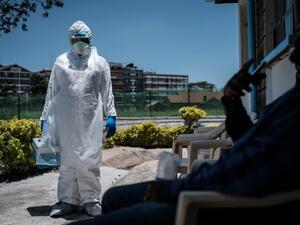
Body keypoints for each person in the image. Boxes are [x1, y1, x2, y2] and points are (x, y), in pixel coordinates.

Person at [69, 36, 300, 225]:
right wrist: (231, 101)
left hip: (224, 205)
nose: (295, 49)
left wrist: (174, 188)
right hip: (220, 185)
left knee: (117, 204)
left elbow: (253, 167)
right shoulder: (291, 98)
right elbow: (248, 140)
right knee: (112, 197)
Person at [40, 20, 117, 217]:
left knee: (89, 159)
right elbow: (52, 90)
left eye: (84, 40)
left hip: (90, 120)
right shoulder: (61, 61)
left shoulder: (100, 63)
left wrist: (111, 115)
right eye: (76, 40)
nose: (80, 43)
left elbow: (106, 90)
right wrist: (45, 117)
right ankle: (67, 200)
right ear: (70, 40)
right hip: (64, 119)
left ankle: (90, 200)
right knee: (67, 160)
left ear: (90, 40)